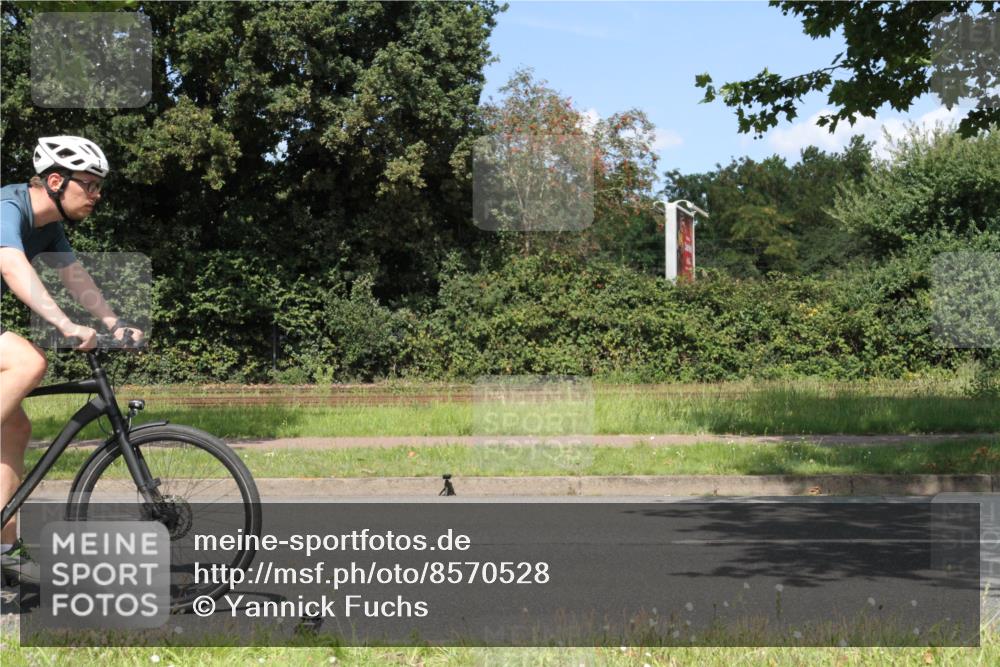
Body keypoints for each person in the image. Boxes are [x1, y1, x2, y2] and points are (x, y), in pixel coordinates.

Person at [0, 136, 144, 585]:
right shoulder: (9, 208)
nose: (97, 195)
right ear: (56, 180)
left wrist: (112, 322)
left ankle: (4, 550)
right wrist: (65, 325)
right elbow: (11, 266)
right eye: (91, 185)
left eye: (100, 186)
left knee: (15, 428)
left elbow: (74, 276)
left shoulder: (49, 228)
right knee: (28, 362)